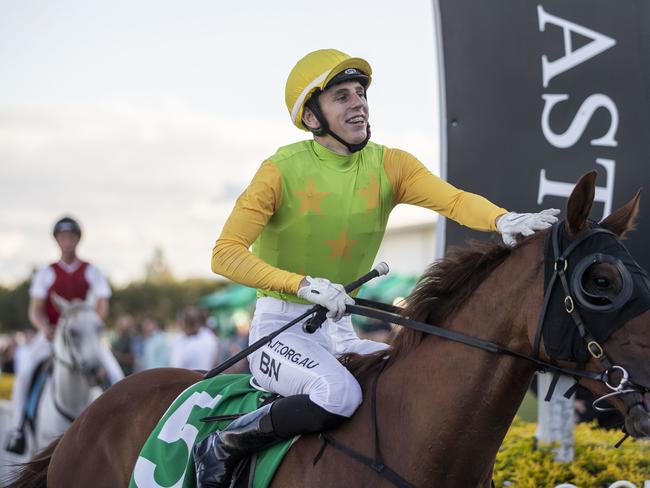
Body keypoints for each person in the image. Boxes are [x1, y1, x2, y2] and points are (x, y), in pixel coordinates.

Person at [193, 49, 559, 486]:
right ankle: (225, 443)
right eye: (342, 96)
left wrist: (502, 220)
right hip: (279, 330)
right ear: (312, 117)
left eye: (360, 94)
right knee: (338, 394)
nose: (358, 103)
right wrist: (302, 285)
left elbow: (454, 200)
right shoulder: (279, 170)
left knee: (409, 381)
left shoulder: (390, 165)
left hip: (339, 329)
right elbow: (225, 253)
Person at [5, 216, 125, 455]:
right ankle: (18, 428)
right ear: (57, 241)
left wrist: (91, 323)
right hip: (54, 334)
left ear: (77, 240)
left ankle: (123, 424)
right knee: (26, 371)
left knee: (115, 372)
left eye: (71, 237)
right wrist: (44, 328)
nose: (67, 242)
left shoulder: (92, 271)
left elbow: (102, 306)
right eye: (63, 237)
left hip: (84, 335)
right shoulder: (46, 273)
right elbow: (35, 310)